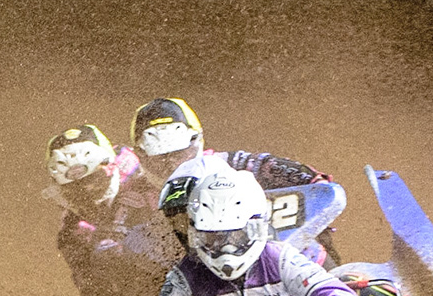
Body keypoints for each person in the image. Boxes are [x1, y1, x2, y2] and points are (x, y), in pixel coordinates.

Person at [139, 168, 365, 296]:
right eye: (213, 238)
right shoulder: (186, 275)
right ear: (195, 235)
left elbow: (331, 292)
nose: (226, 248)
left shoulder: (278, 257)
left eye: (237, 236)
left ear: (258, 227)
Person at [132, 97, 340, 263]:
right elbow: (108, 247)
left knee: (318, 256)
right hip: (195, 279)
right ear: (141, 156)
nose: (172, 165)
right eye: (161, 159)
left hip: (274, 258)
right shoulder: (131, 195)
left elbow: (313, 183)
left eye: (179, 154)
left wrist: (318, 205)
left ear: (197, 141)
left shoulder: (234, 164)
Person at [41, 124, 176, 296]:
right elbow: (85, 275)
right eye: (75, 188)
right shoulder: (72, 228)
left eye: (93, 181)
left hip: (189, 256)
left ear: (110, 167)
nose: (86, 191)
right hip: (144, 282)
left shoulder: (149, 169)